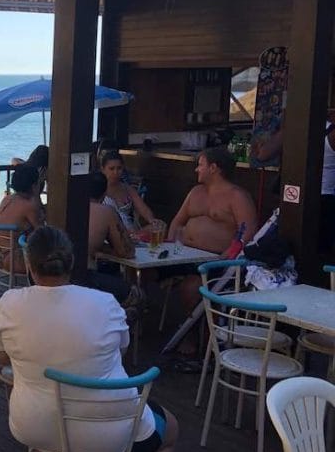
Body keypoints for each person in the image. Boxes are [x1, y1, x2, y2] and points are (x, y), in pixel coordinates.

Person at [0, 226, 178, 452]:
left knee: (53, 399)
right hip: (106, 434)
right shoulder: (104, 304)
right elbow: (121, 350)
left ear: (30, 266)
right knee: (169, 431)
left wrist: (24, 351)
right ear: (71, 263)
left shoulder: (10, 302)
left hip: (33, 426)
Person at [165, 147, 259, 353]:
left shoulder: (237, 196)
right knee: (144, 272)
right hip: (182, 255)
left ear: (214, 168)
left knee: (190, 287)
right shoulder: (195, 192)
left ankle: (196, 337)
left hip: (217, 261)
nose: (197, 169)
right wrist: (169, 244)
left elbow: (247, 232)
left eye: (200, 164)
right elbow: (177, 221)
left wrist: (227, 257)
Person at [251, 108, 335, 250]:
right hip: (324, 197)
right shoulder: (331, 133)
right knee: (321, 251)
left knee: (290, 245)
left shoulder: (291, 131)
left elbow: (262, 155)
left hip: (292, 195)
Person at [88, 171, 143, 311]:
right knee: (137, 295)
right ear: (104, 193)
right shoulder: (106, 212)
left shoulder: (66, 205)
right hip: (84, 278)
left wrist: (101, 249)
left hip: (56, 277)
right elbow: (127, 252)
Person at [0, 164, 44, 276]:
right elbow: (43, 232)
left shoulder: (7, 198)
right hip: (14, 259)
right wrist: (37, 195)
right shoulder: (29, 205)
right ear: (34, 185)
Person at [101, 151, 155, 232]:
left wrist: (152, 221)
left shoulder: (128, 189)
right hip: (107, 233)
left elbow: (144, 210)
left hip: (130, 233)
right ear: (103, 169)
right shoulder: (98, 190)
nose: (115, 172)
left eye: (119, 168)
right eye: (111, 169)